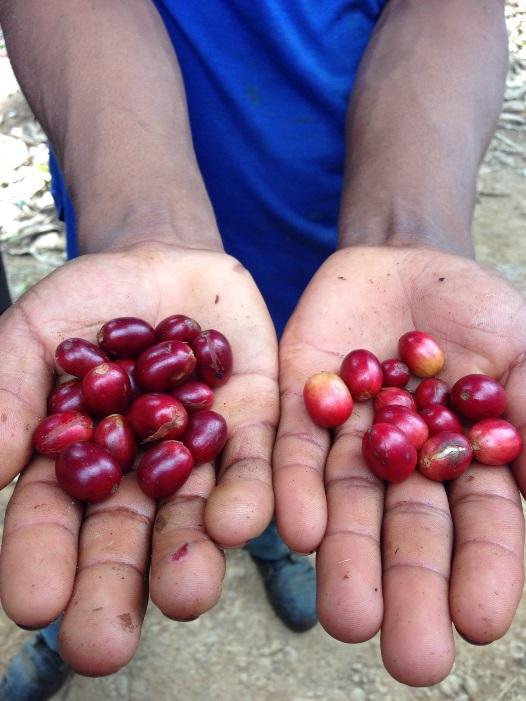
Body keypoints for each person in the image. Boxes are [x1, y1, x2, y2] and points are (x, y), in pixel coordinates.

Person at [0, 0, 525, 699]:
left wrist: (410, 232)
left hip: (338, 241)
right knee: (125, 516)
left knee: (279, 452)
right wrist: (140, 215)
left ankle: (276, 537)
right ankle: (63, 618)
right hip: (142, 238)